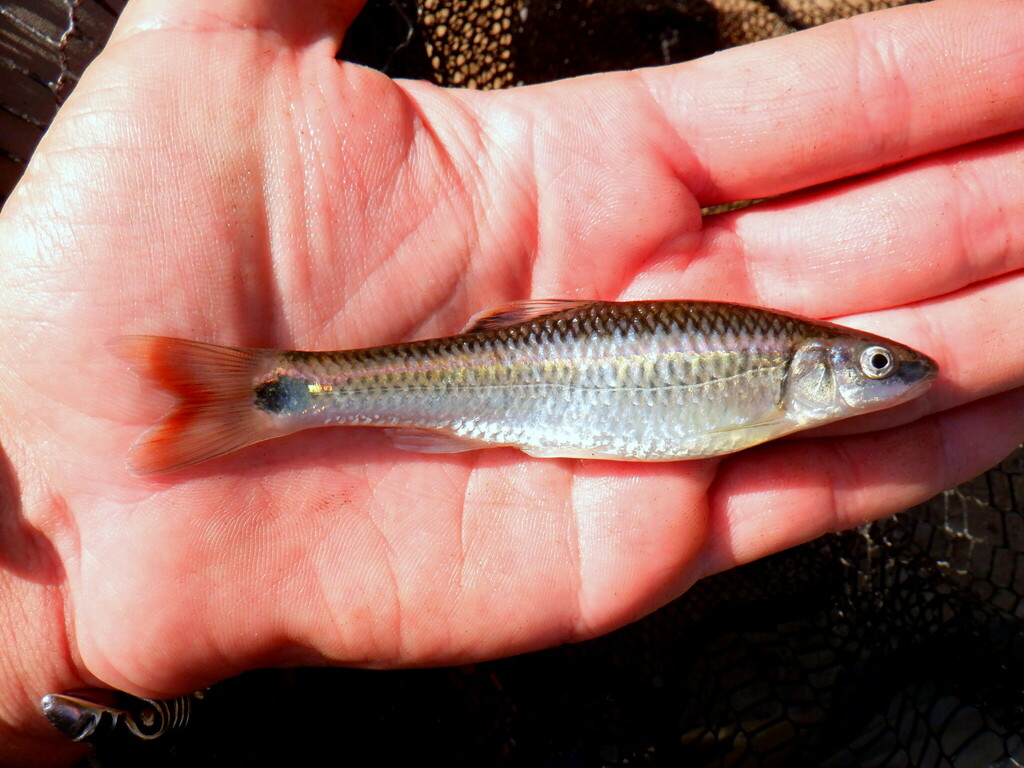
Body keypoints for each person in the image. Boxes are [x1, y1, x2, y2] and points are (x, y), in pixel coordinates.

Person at [1, 0, 1023, 763]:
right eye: (876, 367)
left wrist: (51, 640)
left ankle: (276, 398)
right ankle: (277, 393)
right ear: (816, 365)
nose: (891, 379)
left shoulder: (780, 378)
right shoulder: (774, 379)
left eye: (879, 368)